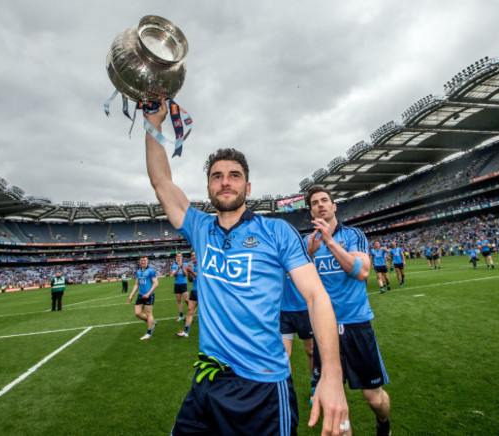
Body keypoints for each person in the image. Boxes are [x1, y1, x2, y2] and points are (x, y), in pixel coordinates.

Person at [144, 100, 348, 436]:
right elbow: (162, 183)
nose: (226, 182)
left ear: (247, 188)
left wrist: (331, 374)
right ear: (209, 188)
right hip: (208, 381)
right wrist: (153, 122)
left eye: (235, 176)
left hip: (264, 388)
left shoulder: (277, 232)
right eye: (217, 177)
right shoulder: (199, 228)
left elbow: (316, 297)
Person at [305, 185, 392, 436]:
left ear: (334, 207)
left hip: (357, 325)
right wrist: (309, 255)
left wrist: (329, 242)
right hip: (325, 329)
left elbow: (362, 272)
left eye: (324, 200)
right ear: (311, 211)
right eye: (314, 202)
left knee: (374, 399)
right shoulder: (307, 244)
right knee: (335, 404)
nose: (320, 204)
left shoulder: (353, 235)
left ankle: (383, 424)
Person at [280, 272, 315, 390]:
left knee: (310, 350)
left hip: (304, 308)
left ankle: (315, 383)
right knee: (284, 353)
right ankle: (287, 389)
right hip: (283, 309)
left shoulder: (303, 253)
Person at [128, 256, 158, 340]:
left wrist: (148, 293)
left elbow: (156, 283)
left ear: (147, 261)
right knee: (137, 313)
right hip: (140, 295)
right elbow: (137, 284)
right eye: (142, 260)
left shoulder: (151, 271)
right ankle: (152, 323)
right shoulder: (138, 271)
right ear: (139, 261)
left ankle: (149, 333)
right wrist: (131, 295)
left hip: (149, 295)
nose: (143, 261)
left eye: (145, 260)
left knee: (149, 313)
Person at [176, 251, 199, 338]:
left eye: (194, 255)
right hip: (194, 290)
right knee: (189, 310)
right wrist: (189, 273)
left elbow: (200, 277)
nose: (193, 257)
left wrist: (191, 271)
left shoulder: (201, 265)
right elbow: (191, 280)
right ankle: (186, 332)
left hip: (203, 292)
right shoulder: (193, 266)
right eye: (192, 256)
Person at [171, 252, 189, 321]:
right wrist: (178, 268)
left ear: (182, 257)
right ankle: (181, 316)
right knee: (179, 300)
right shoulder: (174, 266)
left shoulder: (185, 265)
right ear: (176, 258)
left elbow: (185, 274)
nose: (178, 257)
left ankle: (191, 311)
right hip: (177, 284)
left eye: (180, 256)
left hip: (183, 283)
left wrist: (182, 268)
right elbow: (173, 274)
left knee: (186, 299)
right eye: (177, 256)